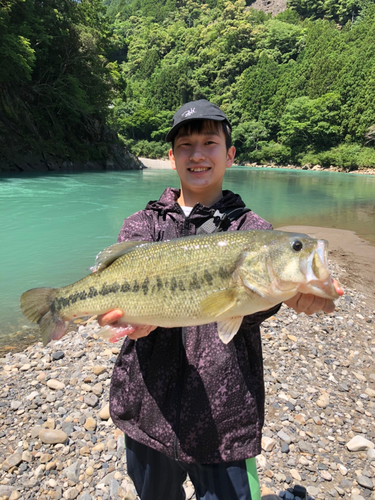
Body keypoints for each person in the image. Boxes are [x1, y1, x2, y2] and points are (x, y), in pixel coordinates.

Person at [98, 100, 341, 500]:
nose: (197, 154)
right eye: (185, 145)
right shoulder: (143, 225)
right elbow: (122, 299)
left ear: (229, 154)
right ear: (172, 156)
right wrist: (130, 323)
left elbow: (253, 306)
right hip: (147, 410)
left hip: (227, 420)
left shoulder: (256, 231)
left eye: (209, 142)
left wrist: (305, 298)